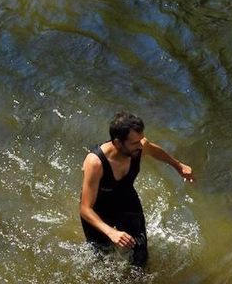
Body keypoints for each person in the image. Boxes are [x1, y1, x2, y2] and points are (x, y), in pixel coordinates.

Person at [79, 112, 195, 267]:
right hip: (99, 211)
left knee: (140, 258)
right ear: (118, 143)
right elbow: (85, 209)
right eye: (135, 143)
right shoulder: (95, 162)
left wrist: (178, 166)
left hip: (127, 201)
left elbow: (155, 151)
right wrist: (111, 232)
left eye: (141, 140)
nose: (141, 146)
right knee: (102, 261)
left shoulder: (139, 146)